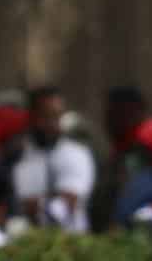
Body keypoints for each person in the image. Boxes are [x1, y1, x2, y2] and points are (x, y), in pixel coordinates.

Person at [9, 86, 94, 232]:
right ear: (31, 117)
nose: (53, 124)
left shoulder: (76, 154)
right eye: (46, 116)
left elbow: (65, 205)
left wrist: (33, 206)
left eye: (57, 116)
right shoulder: (19, 154)